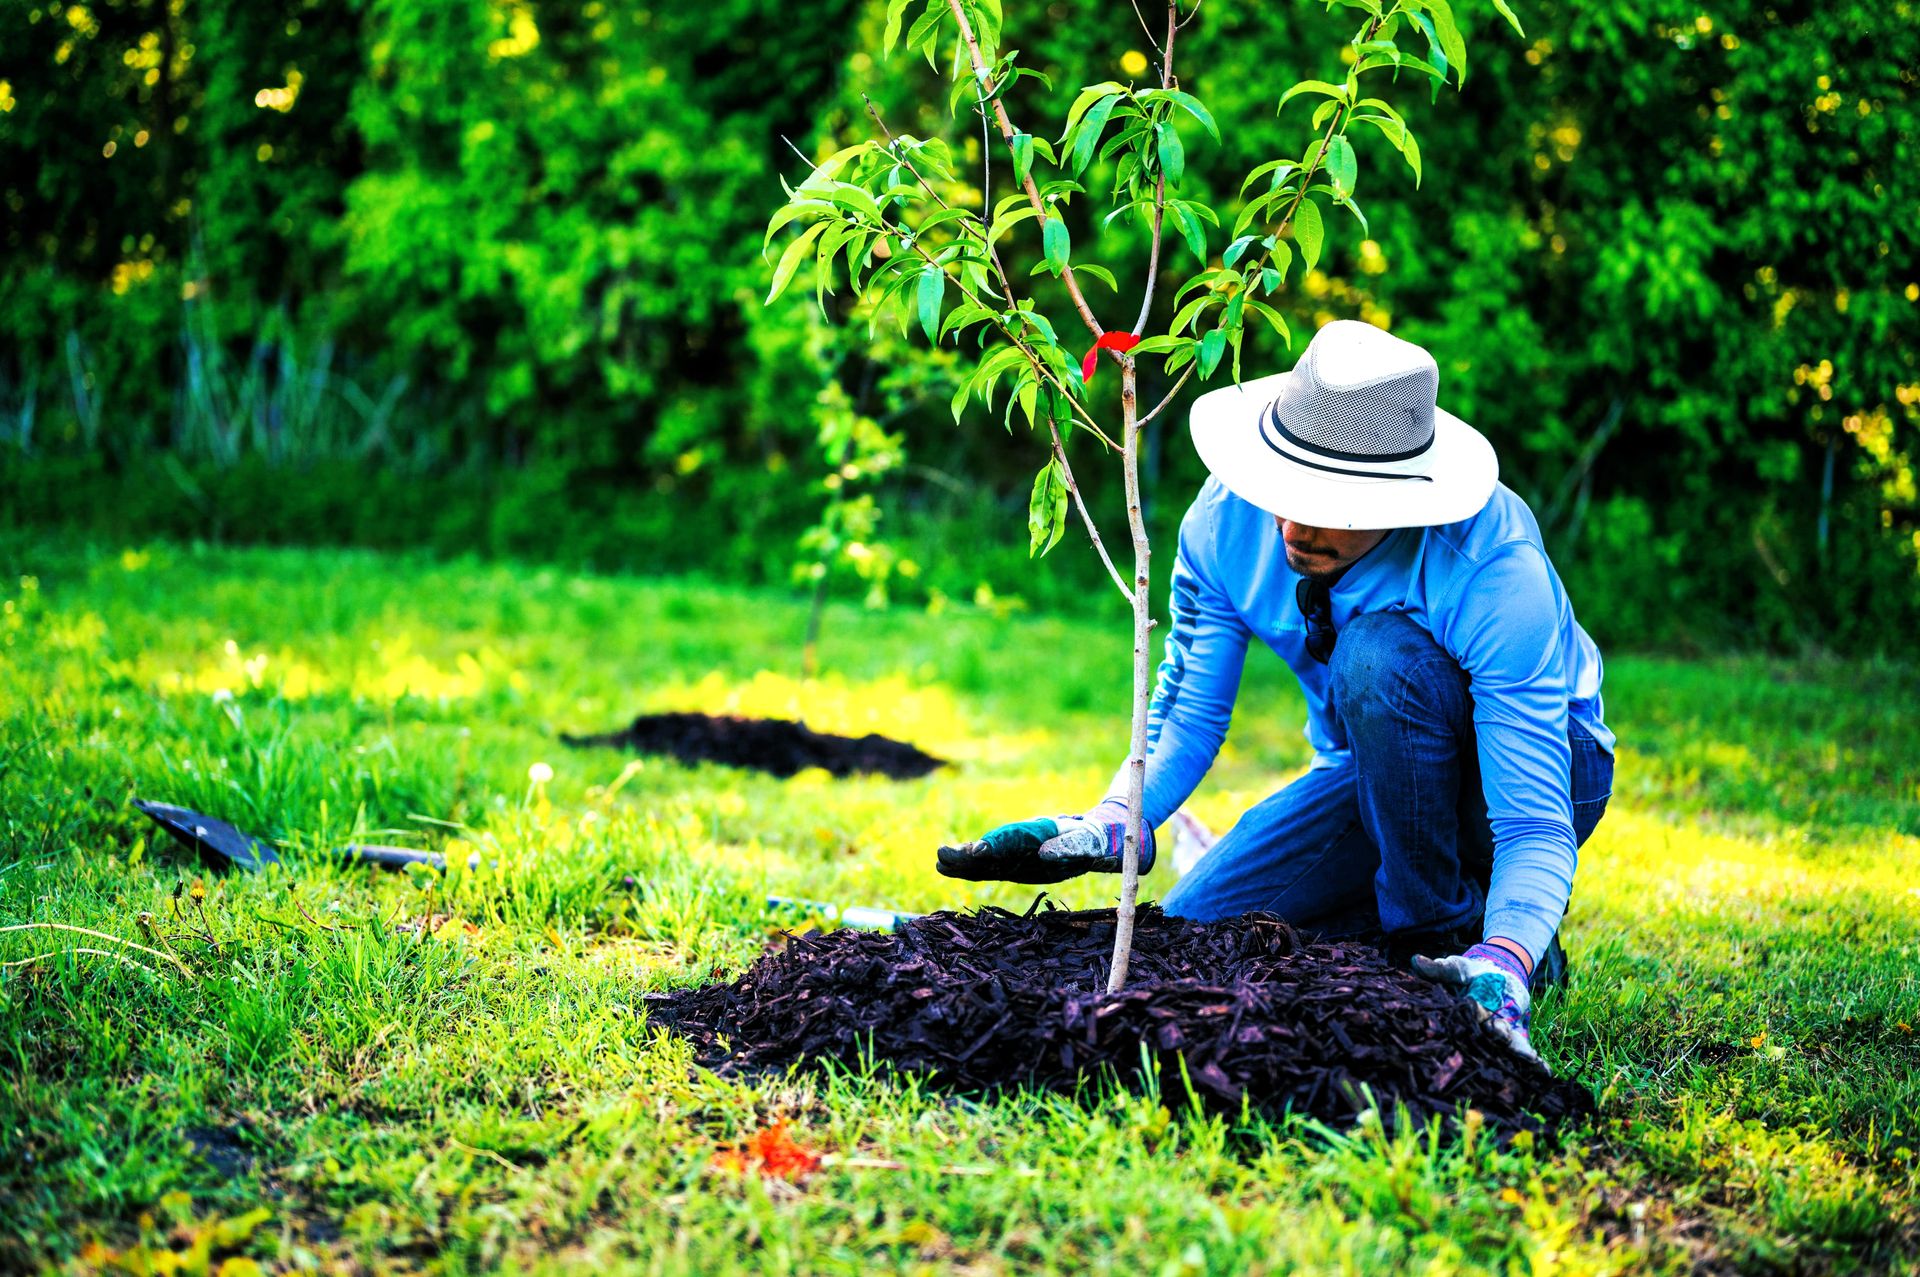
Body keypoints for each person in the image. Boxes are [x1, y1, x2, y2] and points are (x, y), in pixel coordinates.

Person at [937, 320, 1614, 1060]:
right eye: (1284, 487)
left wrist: (1506, 955)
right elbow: (1188, 711)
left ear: (1399, 498)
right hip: (1371, 771)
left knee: (1376, 655)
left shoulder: (1487, 566)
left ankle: (1465, 943)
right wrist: (1115, 820)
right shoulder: (1226, 522)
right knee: (1199, 928)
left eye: (1332, 500)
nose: (1292, 522)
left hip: (1535, 770)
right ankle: (1446, 922)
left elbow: (1532, 820)